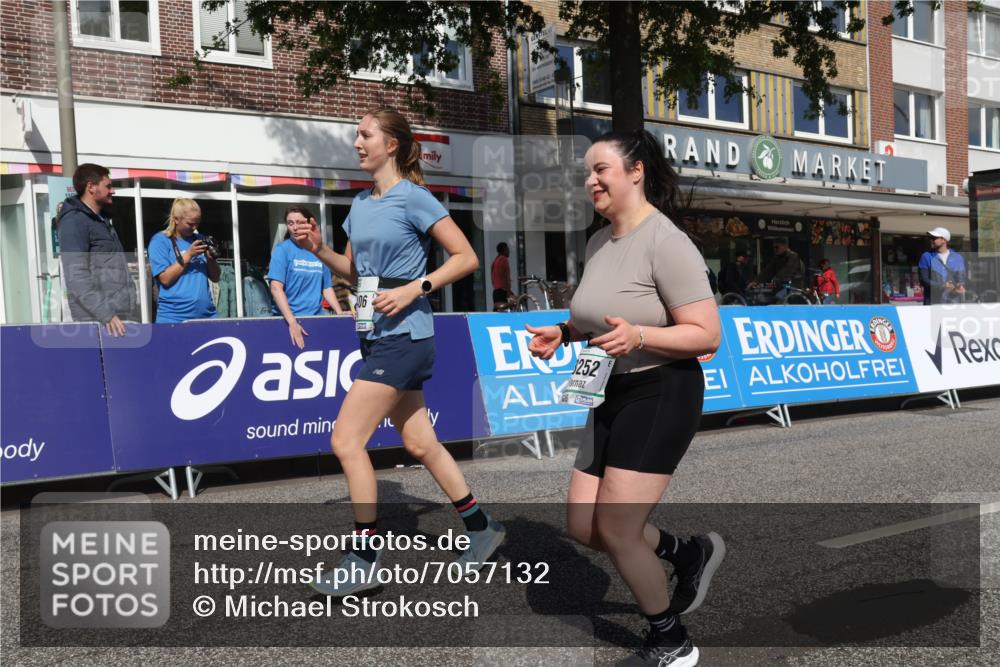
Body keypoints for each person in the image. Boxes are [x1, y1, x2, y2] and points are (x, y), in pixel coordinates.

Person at [526, 130, 725, 666]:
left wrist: (641, 336)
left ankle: (671, 641)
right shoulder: (598, 241)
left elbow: (707, 334)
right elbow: (591, 316)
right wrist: (563, 334)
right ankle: (687, 554)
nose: (590, 181)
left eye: (600, 170)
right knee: (583, 527)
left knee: (617, 527)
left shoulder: (667, 241)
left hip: (662, 389)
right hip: (607, 386)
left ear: (636, 172)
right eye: (587, 173)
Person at [294, 108, 505, 596]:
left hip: (406, 334)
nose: (357, 142)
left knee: (346, 440)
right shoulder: (360, 205)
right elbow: (351, 271)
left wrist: (417, 288)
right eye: (356, 135)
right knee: (420, 444)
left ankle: (364, 557)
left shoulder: (415, 198)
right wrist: (319, 249)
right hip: (373, 330)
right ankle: (482, 527)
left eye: (365, 134)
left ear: (391, 144)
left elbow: (466, 258)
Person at [58, 163, 137, 336]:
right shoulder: (74, 221)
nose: (112, 191)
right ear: (91, 187)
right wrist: (106, 314)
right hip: (96, 321)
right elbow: (76, 276)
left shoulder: (102, 220)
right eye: (108, 186)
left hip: (116, 316)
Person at [269, 205, 344, 349]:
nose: (295, 227)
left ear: (309, 223)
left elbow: (326, 287)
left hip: (316, 318)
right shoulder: (282, 250)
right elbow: (276, 289)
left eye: (299, 222)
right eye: (291, 223)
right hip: (288, 321)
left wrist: (339, 312)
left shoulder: (318, 250)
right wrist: (292, 322)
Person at [148, 199, 220, 323]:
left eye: (197, 223)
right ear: (176, 219)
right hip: (174, 318)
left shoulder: (200, 239)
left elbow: (215, 277)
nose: (194, 228)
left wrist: (210, 259)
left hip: (206, 316)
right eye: (190, 223)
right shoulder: (160, 241)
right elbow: (165, 279)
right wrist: (188, 255)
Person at [918, 227, 966, 305]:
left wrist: (959, 286)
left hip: (953, 302)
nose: (931, 240)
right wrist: (942, 286)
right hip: (933, 302)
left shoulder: (958, 258)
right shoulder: (926, 256)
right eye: (931, 238)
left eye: (934, 238)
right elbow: (924, 280)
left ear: (944, 240)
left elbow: (961, 278)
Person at [750, 237, 804, 302]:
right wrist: (756, 281)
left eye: (777, 247)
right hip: (782, 285)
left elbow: (786, 270)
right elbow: (767, 271)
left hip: (794, 286)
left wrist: (775, 280)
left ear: (785, 246)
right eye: (773, 247)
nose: (775, 249)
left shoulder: (793, 257)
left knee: (779, 296)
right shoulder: (777, 258)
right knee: (765, 297)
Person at [491, 241, 513, 311]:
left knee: (499, 313)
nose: (509, 251)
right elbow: (506, 277)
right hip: (502, 291)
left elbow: (493, 278)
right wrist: (509, 292)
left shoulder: (495, 260)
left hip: (496, 291)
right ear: (503, 250)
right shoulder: (504, 259)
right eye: (507, 249)